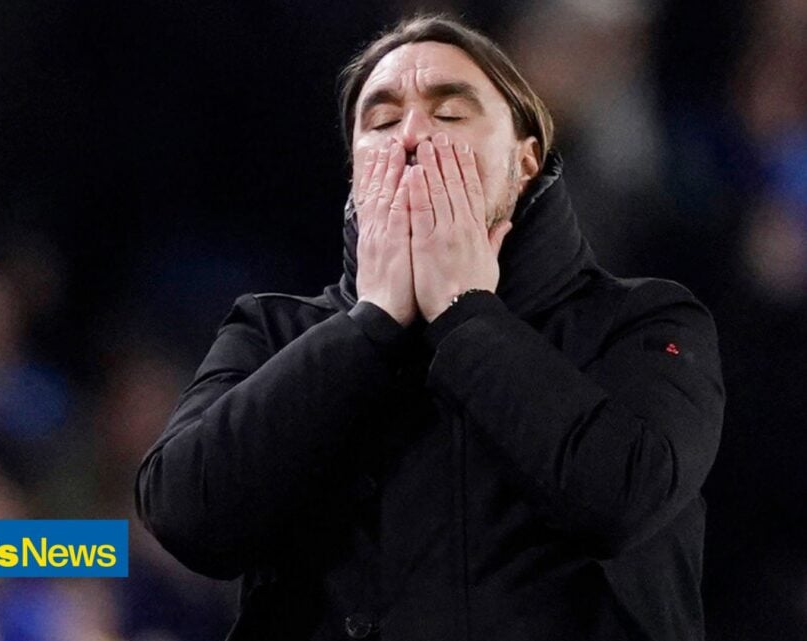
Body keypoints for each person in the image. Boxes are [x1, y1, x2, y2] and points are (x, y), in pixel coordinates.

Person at [135, 14, 724, 641]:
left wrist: (466, 312)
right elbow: (185, 516)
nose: (411, 134)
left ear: (525, 161)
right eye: (382, 122)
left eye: (450, 115)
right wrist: (368, 328)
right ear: (356, 177)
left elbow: (622, 499)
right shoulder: (271, 330)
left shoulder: (642, 321)